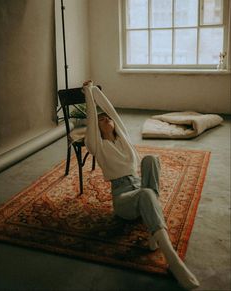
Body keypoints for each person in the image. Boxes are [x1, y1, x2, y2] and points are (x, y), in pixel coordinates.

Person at [83, 80, 200, 290]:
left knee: (151, 159)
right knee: (147, 193)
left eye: (107, 118)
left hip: (138, 185)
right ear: (96, 129)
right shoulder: (97, 146)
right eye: (101, 119)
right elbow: (92, 119)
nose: (106, 118)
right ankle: (172, 260)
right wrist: (88, 93)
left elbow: (110, 110)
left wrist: (96, 91)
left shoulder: (124, 139)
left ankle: (152, 226)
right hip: (123, 198)